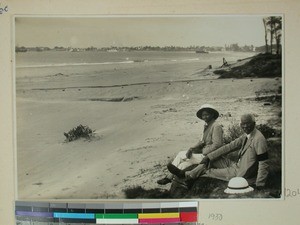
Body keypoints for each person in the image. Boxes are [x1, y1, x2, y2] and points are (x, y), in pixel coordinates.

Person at [167, 114, 269, 189]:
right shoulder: (247, 135)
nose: (245, 127)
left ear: (254, 124)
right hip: (236, 164)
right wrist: (209, 157)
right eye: (243, 124)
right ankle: (187, 175)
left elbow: (263, 163)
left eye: (248, 124)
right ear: (240, 124)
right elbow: (229, 147)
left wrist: (259, 185)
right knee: (211, 160)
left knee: (207, 171)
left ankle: (187, 176)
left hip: (240, 172)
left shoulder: (259, 139)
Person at [157, 104, 224, 185]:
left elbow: (218, 144)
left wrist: (203, 151)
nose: (204, 117)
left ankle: (168, 177)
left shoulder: (216, 126)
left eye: (206, 114)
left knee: (180, 154)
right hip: (204, 154)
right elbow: (201, 141)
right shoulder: (207, 126)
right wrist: (191, 148)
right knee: (182, 165)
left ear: (212, 114)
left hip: (210, 156)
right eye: (203, 115)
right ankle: (178, 183)